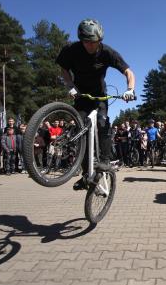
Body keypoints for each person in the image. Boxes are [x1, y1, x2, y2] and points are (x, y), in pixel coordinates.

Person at [56, 18, 136, 190]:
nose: (91, 45)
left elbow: (128, 71)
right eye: (87, 42)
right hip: (81, 96)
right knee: (81, 132)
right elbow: (63, 68)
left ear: (100, 40)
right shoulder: (71, 50)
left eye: (95, 42)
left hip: (99, 96)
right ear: (81, 40)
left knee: (102, 122)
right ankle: (86, 176)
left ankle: (105, 161)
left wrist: (130, 89)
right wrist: (70, 86)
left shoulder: (107, 52)